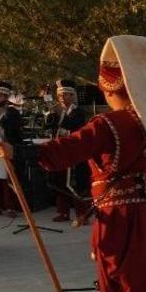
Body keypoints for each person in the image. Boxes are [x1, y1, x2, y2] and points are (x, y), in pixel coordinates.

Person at [0, 35, 146, 292]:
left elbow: (67, 150)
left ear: (109, 90)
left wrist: (16, 152)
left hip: (121, 219)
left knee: (130, 285)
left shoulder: (109, 124)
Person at [49, 79, 90, 223]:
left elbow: (72, 125)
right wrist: (50, 117)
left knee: (76, 184)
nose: (62, 98)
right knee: (60, 182)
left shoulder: (78, 112)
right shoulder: (59, 112)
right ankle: (63, 212)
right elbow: (51, 127)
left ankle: (82, 214)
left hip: (74, 152)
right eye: (60, 95)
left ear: (73, 96)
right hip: (60, 151)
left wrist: (59, 116)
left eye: (66, 95)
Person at [0, 81, 22, 217]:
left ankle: (10, 207)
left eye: (1, 96)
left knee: (9, 179)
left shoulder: (12, 113)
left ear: (6, 97)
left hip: (6, 147)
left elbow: (16, 132)